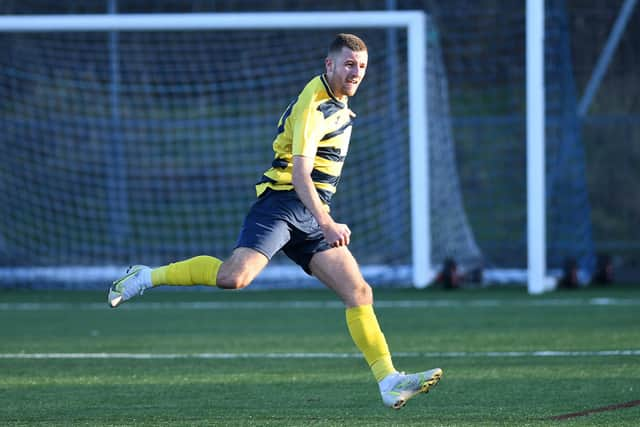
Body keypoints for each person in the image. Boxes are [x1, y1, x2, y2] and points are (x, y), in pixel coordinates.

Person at [108, 33, 442, 409]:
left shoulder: (336, 102)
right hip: (283, 204)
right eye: (349, 64)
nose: (356, 73)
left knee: (359, 292)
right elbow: (300, 176)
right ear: (329, 64)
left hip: (311, 210)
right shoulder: (314, 108)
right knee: (233, 278)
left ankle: (389, 381)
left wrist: (321, 218)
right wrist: (327, 223)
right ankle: (144, 276)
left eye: (362, 66)